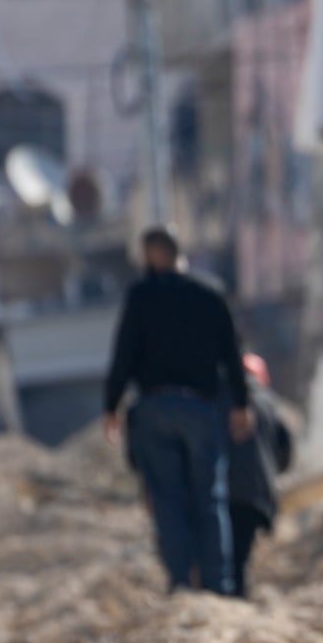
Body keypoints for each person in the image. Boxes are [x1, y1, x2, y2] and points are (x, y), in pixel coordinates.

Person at [104, 226, 253, 595]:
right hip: (201, 409)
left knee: (167, 501)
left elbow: (123, 355)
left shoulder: (140, 296)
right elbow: (232, 355)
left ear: (151, 255)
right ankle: (220, 590)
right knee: (209, 500)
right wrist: (241, 404)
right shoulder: (210, 294)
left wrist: (111, 405)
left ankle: (181, 587)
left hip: (154, 410)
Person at [227, 352, 294, 598]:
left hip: (222, 491)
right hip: (257, 493)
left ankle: (227, 601)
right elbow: (285, 452)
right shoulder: (270, 404)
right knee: (241, 556)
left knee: (224, 556)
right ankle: (237, 599)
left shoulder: (218, 399)